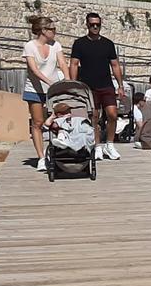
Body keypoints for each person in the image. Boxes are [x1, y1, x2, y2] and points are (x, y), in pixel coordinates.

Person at [70, 13, 124, 160]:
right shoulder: (79, 43)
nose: (95, 27)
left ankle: (110, 144)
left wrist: (120, 85)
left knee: (112, 114)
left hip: (106, 84)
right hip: (88, 86)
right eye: (92, 24)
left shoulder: (108, 44)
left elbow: (115, 65)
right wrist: (73, 84)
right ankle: (97, 145)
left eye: (97, 24)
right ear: (87, 25)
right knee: (94, 116)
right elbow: (74, 64)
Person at [22, 15, 69, 172]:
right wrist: (49, 82)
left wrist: (67, 80)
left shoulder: (56, 45)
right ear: (43, 30)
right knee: (37, 122)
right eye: (52, 29)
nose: (55, 31)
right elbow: (34, 69)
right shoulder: (30, 46)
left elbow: (62, 63)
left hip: (54, 90)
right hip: (35, 89)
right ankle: (41, 157)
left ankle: (60, 146)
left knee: (60, 117)